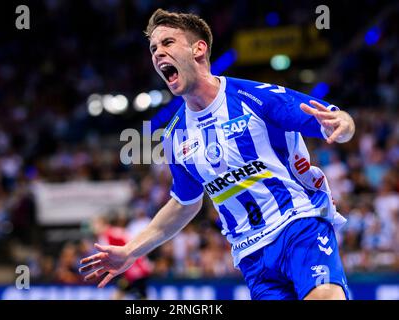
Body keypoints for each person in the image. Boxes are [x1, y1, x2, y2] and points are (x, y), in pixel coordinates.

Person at [79, 8, 356, 300]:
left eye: (168, 43)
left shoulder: (253, 97)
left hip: (298, 224)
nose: (158, 53)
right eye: (153, 48)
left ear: (199, 49)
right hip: (253, 256)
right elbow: (184, 203)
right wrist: (130, 252)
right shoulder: (175, 136)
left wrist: (346, 125)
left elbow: (333, 120)